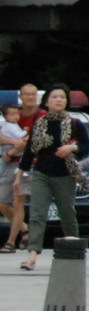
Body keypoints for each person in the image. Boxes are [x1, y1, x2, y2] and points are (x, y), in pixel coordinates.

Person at [16, 85, 87, 270]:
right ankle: (32, 255)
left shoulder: (75, 124)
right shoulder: (40, 124)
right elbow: (30, 151)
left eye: (62, 97)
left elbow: (86, 147)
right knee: (37, 214)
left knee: (67, 213)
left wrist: (72, 148)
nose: (58, 100)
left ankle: (75, 250)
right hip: (41, 174)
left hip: (65, 175)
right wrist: (19, 175)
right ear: (46, 101)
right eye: (54, 97)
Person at [0, 103, 27, 254]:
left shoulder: (22, 124)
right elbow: (19, 139)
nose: (16, 117)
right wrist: (14, 143)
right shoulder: (7, 126)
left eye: (17, 114)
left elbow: (25, 141)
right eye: (12, 114)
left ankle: (11, 241)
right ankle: (24, 228)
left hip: (21, 165)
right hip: (6, 164)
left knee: (18, 202)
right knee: (2, 203)